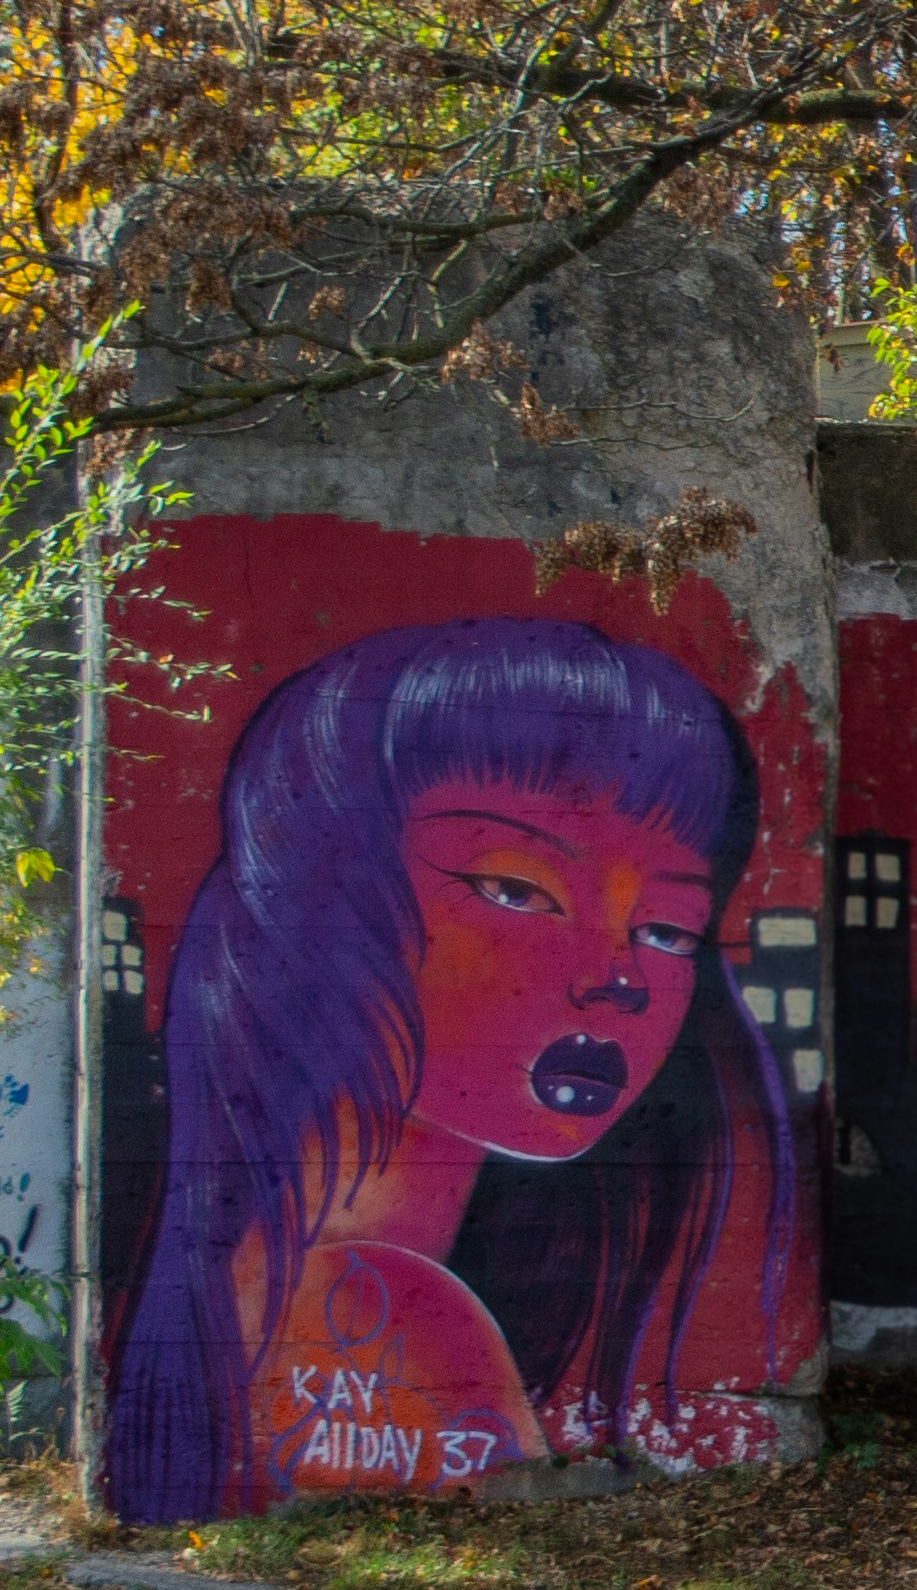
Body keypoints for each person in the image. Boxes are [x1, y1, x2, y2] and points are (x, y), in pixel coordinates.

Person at [102, 616, 793, 1520]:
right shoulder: (390, 1313)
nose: (616, 979)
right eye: (514, 889)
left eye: (666, 930)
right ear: (325, 900)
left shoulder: (257, 1269)